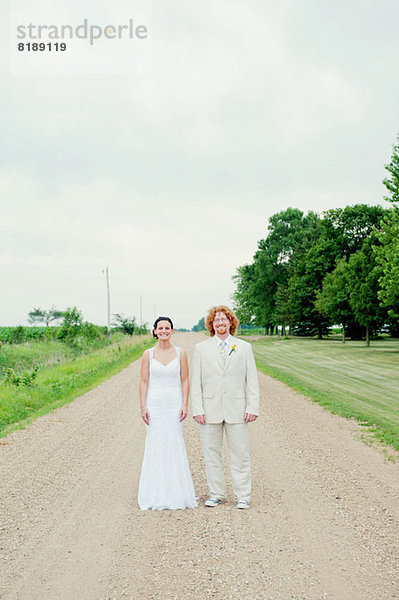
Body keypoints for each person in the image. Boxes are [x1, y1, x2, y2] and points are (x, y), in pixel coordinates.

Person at [190, 305, 259, 509]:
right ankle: (217, 493)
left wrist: (252, 406)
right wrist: (198, 409)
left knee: (240, 453)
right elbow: (196, 382)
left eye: (224, 319)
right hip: (209, 409)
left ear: (231, 322)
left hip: (237, 408)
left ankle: (243, 495)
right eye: (216, 320)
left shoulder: (244, 347)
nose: (220, 323)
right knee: (211, 454)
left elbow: (252, 380)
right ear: (211, 324)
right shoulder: (201, 348)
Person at [138, 316, 197, 510]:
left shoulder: (181, 353)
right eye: (160, 328)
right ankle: (154, 491)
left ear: (172, 331)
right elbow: (144, 381)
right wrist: (143, 406)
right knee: (155, 443)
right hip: (155, 404)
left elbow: (185, 380)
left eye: (167, 328)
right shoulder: (148, 354)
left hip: (173, 404)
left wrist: (185, 404)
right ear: (154, 331)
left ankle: (176, 492)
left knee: (173, 442)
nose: (164, 331)